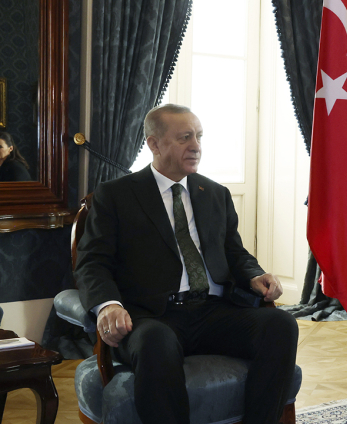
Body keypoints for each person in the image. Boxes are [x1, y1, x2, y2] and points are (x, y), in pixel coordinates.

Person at [75, 104, 298, 424]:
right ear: (154, 144)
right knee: (155, 341)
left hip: (211, 311)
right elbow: (92, 262)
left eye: (199, 137)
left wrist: (255, 275)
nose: (196, 146)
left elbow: (235, 253)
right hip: (152, 316)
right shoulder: (116, 195)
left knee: (281, 324)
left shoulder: (215, 193)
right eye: (184, 138)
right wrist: (108, 305)